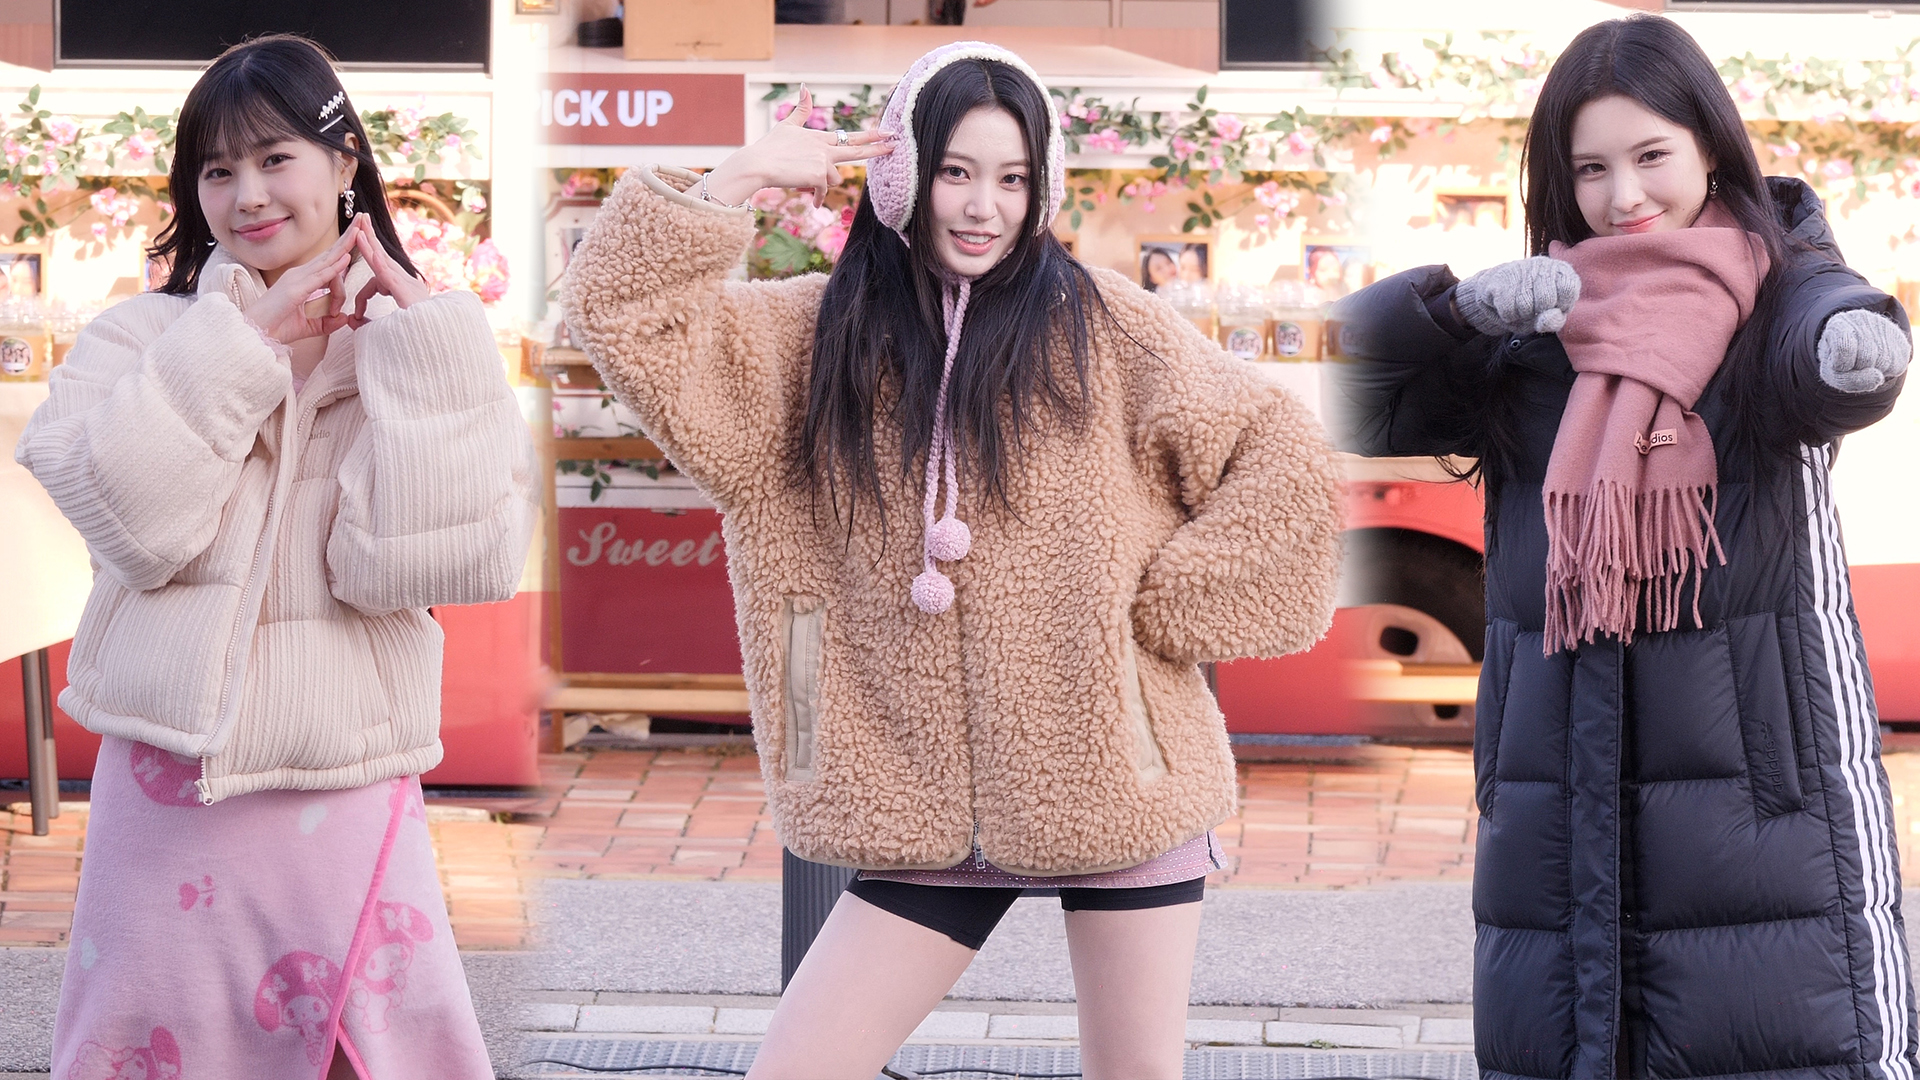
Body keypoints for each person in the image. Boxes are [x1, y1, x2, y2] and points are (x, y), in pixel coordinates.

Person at [563, 41, 1343, 1080]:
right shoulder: (807, 342)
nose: (983, 207)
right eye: (955, 172)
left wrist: (1167, 614)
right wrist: (736, 177)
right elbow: (621, 315)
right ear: (901, 178)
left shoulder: (1107, 327)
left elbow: (1280, 453)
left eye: (1013, 179)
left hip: (1121, 780)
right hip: (911, 799)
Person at [1331, 14, 1914, 1077]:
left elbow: (1820, 352)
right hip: (1555, 797)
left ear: (1710, 147)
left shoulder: (1776, 293)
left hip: (1762, 805)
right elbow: (1357, 397)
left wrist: (1856, 351)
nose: (1623, 195)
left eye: (1651, 155)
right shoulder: (1536, 327)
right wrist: (1453, 316)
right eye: (1590, 168)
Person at [13, 35, 539, 1079]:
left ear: (345, 164)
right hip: (173, 769)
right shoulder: (137, 339)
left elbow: (446, 562)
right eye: (217, 170)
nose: (247, 194)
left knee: (368, 1046)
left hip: (344, 765)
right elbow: (135, 530)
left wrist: (425, 352)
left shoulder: (411, 347)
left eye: (274, 157)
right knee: (150, 1040)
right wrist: (241, 346)